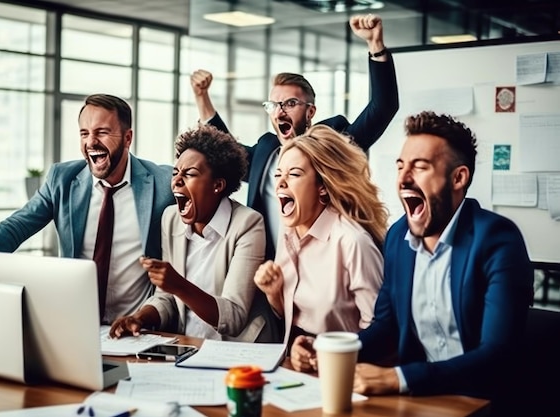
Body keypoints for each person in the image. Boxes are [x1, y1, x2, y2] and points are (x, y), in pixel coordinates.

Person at [290, 111, 533, 411]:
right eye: (400, 166)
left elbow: (496, 356)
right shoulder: (398, 238)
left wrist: (398, 378)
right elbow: (386, 327)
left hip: (482, 403)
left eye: (420, 167)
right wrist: (327, 349)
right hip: (417, 401)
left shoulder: (497, 240)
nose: (403, 179)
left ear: (458, 178)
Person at [0, 94, 175, 324]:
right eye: (84, 133)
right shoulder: (63, 179)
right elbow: (16, 226)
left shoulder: (162, 182)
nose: (91, 142)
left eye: (102, 132)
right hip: (74, 326)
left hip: (138, 328)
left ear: (127, 137)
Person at [191, 13, 399, 259]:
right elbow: (224, 148)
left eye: (290, 103)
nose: (280, 111)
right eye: (274, 104)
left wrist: (375, 46)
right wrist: (202, 98)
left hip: (325, 262)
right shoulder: (266, 150)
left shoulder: (332, 143)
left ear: (310, 111)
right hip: (269, 270)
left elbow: (382, 108)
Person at [109, 124, 279, 342]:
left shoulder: (248, 224)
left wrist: (178, 284)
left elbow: (234, 317)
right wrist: (139, 318)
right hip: (188, 346)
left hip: (239, 351)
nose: (177, 180)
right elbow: (167, 298)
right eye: (175, 172)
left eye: (189, 174)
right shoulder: (171, 218)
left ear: (217, 185)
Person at [254, 124, 387, 349]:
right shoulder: (288, 232)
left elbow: (379, 333)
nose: (281, 183)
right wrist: (274, 294)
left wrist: (322, 356)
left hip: (341, 368)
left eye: (294, 174)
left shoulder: (353, 242)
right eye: (278, 174)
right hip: (292, 363)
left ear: (322, 187)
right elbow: (292, 319)